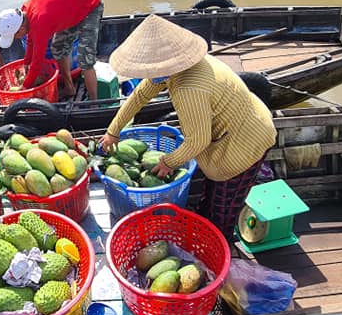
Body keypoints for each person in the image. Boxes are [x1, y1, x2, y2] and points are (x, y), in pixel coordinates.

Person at [99, 15, 277, 239]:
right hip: (231, 131)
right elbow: (141, 95)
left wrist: (168, 162)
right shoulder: (178, 66)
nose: (147, 76)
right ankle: (206, 224)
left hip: (246, 141)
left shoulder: (188, 88)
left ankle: (221, 246)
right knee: (211, 195)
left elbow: (198, 141)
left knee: (224, 209)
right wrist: (113, 131)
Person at [0, 0, 104, 100]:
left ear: (20, 29)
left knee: (85, 60)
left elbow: (37, 62)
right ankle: (69, 88)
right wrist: (26, 62)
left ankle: (94, 101)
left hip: (90, 5)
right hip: (72, 6)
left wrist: (25, 87)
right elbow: (30, 40)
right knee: (58, 47)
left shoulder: (40, 22)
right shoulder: (25, 12)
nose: (15, 38)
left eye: (14, 36)